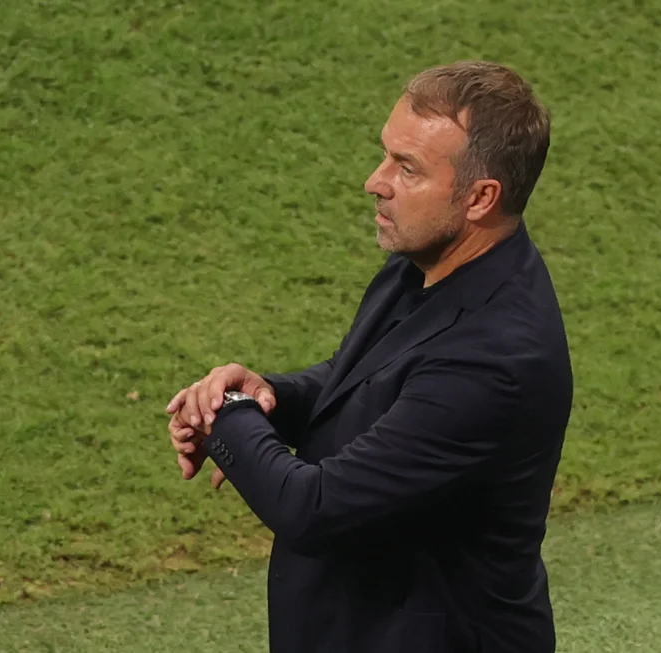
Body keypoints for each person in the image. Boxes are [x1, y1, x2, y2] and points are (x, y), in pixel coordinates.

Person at [164, 60, 572, 653]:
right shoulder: (425, 264)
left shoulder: (496, 358)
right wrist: (269, 396)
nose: (374, 182)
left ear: (481, 197)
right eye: (386, 155)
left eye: (407, 168)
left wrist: (226, 414)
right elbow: (364, 379)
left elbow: (312, 509)